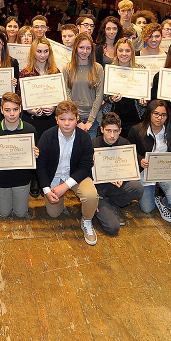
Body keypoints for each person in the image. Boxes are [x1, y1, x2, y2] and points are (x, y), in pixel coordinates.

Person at [36, 100, 100, 245]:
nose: (66, 123)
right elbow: (41, 166)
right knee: (54, 213)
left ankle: (87, 221)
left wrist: (65, 186)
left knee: (90, 195)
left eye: (71, 119)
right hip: (55, 177)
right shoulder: (47, 136)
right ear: (56, 119)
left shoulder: (84, 138)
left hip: (75, 176)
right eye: (62, 119)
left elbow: (86, 166)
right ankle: (60, 198)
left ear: (77, 119)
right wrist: (47, 190)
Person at [130, 99, 171, 222]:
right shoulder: (136, 130)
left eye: (163, 115)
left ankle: (162, 201)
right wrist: (140, 160)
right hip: (146, 173)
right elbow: (130, 151)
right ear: (149, 114)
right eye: (156, 114)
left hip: (165, 171)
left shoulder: (170, 129)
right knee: (147, 208)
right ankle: (153, 195)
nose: (159, 118)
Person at [0, 93, 38, 219]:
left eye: (15, 109)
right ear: (1, 110)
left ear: (20, 109)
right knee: (4, 214)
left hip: (22, 179)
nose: (12, 114)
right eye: (8, 110)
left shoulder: (30, 130)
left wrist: (36, 154)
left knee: (21, 213)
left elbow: (33, 158)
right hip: (1, 180)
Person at [91, 113, 143, 236]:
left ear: (120, 130)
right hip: (98, 191)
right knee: (113, 228)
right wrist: (92, 199)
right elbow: (85, 174)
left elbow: (129, 167)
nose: (112, 135)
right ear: (102, 129)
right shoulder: (93, 145)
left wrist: (122, 176)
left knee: (138, 188)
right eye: (108, 131)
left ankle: (113, 205)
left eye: (115, 131)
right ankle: (99, 207)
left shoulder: (124, 143)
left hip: (116, 186)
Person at [64, 32, 105, 138]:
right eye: (81, 47)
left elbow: (99, 96)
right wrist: (77, 119)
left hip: (92, 119)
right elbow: (66, 94)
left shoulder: (98, 68)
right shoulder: (67, 68)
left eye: (88, 48)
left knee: (88, 152)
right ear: (76, 48)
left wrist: (90, 121)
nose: (85, 51)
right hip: (72, 118)